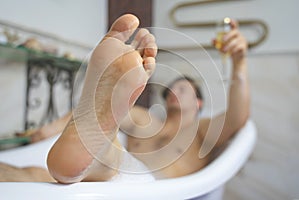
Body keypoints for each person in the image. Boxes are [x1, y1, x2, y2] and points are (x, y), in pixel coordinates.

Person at [2, 13, 249, 182]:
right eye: (171, 88)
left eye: (183, 89)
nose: (174, 91)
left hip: (155, 187)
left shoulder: (201, 131)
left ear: (198, 103)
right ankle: (100, 136)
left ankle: (99, 147)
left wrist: (239, 65)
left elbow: (238, 119)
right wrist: (50, 130)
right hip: (109, 178)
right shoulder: (147, 120)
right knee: (34, 174)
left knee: (109, 158)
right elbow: (92, 112)